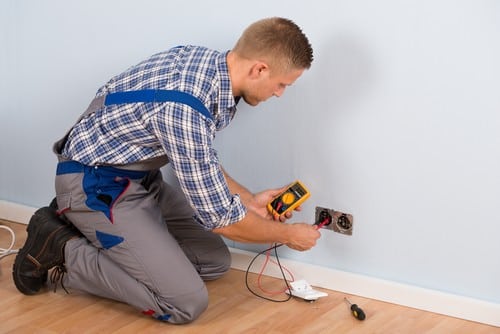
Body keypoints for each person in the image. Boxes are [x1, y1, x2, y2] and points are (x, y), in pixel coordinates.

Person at [13, 17, 320, 324]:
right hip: (93, 186)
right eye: (281, 84)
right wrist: (289, 236)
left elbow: (200, 161)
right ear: (259, 69)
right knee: (183, 303)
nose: (280, 93)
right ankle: (60, 247)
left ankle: (112, 244)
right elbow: (222, 221)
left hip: (139, 179)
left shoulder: (207, 65)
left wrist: (249, 200)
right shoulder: (185, 107)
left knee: (213, 261)